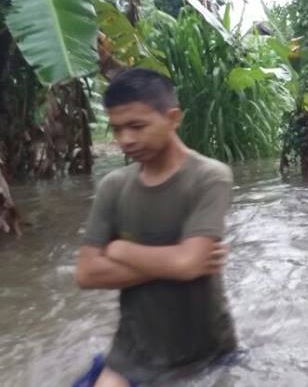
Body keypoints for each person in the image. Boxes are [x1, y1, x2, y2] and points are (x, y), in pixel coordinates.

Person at [73, 69, 236, 387]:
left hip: (204, 351)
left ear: (173, 118)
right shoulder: (113, 186)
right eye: (117, 129)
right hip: (133, 352)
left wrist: (122, 250)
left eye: (137, 126)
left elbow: (189, 264)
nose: (125, 140)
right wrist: (178, 261)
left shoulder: (209, 177)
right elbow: (87, 273)